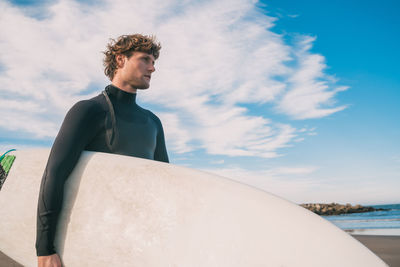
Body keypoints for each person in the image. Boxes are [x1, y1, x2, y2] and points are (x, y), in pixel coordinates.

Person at [36, 34, 169, 267]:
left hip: (135, 244)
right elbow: (54, 175)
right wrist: (45, 248)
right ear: (120, 60)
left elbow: (164, 184)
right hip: (89, 242)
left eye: (154, 61)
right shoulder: (89, 111)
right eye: (145, 59)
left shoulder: (153, 123)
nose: (153, 68)